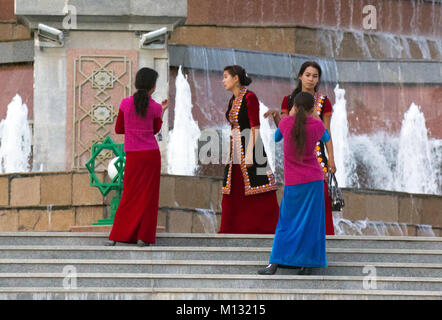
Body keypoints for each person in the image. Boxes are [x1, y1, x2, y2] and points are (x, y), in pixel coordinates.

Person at [258, 92, 329, 275]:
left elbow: (276, 138)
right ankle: (307, 265)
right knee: (311, 223)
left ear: (294, 108)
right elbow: (327, 138)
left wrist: (281, 117)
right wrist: (313, 116)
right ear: (312, 110)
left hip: (293, 182)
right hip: (314, 181)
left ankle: (274, 263)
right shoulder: (317, 124)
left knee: (285, 222)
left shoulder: (286, 122)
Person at [265, 61, 335, 235]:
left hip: (317, 157)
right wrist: (276, 117)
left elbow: (326, 132)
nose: (311, 79)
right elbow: (283, 129)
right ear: (300, 76)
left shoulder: (324, 102)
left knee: (320, 203)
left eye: (315, 76)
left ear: (319, 80)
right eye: (308, 75)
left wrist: (331, 158)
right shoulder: (289, 101)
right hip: (294, 158)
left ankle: (320, 239)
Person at [106, 67, 169, 247]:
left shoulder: (125, 103)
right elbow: (155, 130)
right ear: (153, 86)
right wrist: (162, 111)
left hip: (133, 155)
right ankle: (143, 237)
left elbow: (119, 129)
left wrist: (133, 128)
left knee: (129, 195)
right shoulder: (156, 107)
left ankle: (118, 235)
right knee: (149, 197)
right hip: (150, 156)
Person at [219, 65, 279, 234]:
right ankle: (232, 228)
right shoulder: (233, 99)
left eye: (225, 77)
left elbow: (255, 127)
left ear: (235, 78)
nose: (223, 81)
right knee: (233, 188)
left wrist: (251, 154)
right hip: (236, 150)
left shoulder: (250, 97)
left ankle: (265, 228)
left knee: (259, 187)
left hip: (251, 148)